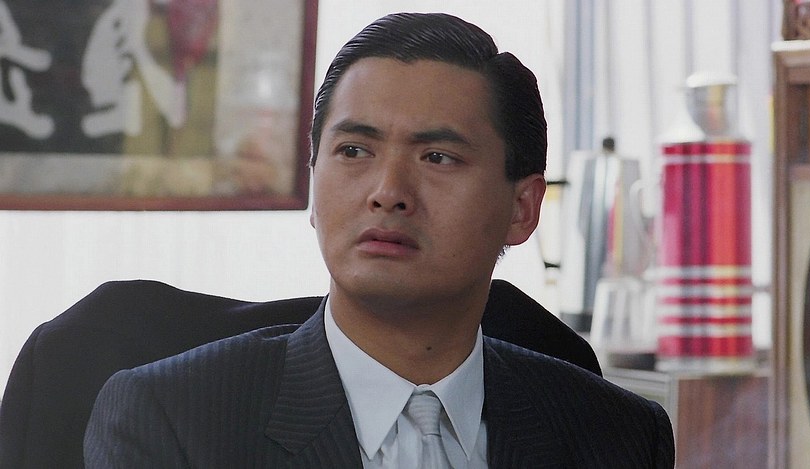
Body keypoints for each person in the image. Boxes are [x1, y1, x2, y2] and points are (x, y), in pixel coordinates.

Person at [83, 12, 675, 468]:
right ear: (314, 182)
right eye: (354, 151)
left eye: (437, 157)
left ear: (522, 209)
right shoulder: (173, 419)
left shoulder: (617, 436)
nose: (388, 192)